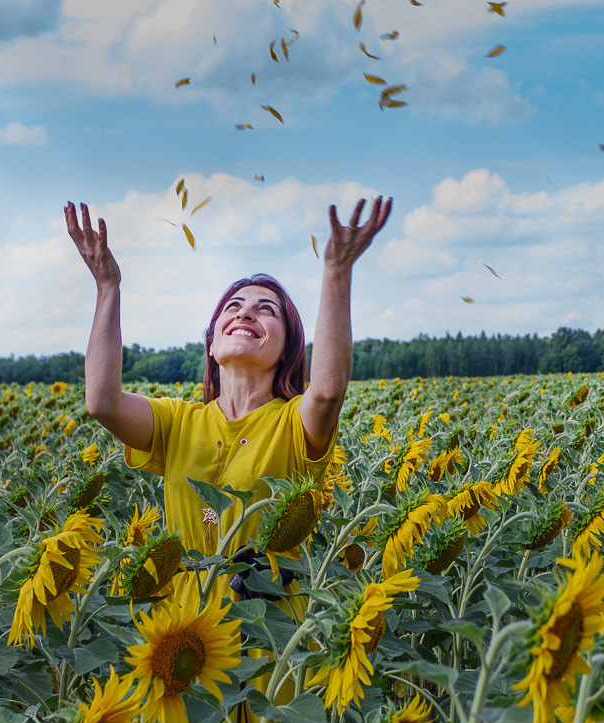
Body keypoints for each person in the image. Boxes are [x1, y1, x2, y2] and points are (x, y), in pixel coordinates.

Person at [64, 196, 392, 558]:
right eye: (233, 307)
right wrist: (108, 287)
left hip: (265, 615)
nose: (246, 313)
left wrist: (337, 270)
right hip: (180, 614)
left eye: (265, 310)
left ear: (287, 349)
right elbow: (102, 403)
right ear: (211, 344)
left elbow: (328, 391)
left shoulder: (294, 424)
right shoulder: (178, 422)